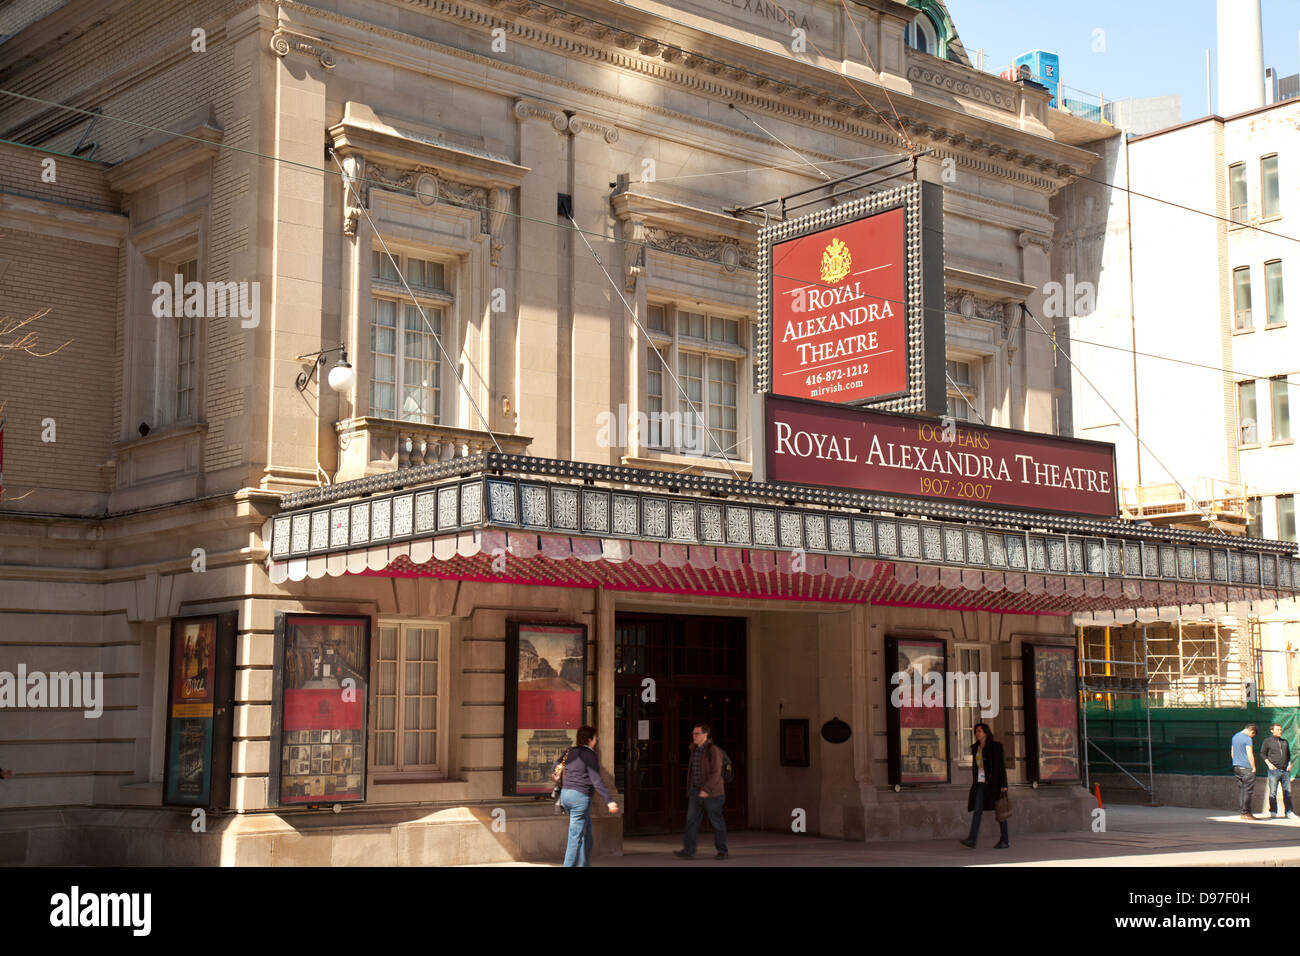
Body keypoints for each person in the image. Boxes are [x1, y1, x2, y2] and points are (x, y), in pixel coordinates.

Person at [555, 725, 617, 867]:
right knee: (575, 837)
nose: (596, 741)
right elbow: (596, 779)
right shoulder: (589, 755)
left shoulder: (569, 751)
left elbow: (555, 767)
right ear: (590, 739)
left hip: (566, 795)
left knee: (586, 834)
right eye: (595, 738)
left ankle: (583, 864)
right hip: (580, 797)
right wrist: (609, 801)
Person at [674, 722, 728, 860]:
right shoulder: (694, 749)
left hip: (712, 794)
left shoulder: (713, 750)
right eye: (693, 733)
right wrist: (692, 789)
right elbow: (693, 772)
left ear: (705, 735)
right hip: (696, 792)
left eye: (697, 733)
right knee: (691, 821)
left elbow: (716, 773)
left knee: (716, 822)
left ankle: (722, 851)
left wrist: (706, 789)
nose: (694, 736)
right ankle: (688, 851)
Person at [960, 722, 1009, 849]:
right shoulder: (975, 748)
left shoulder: (995, 747)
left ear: (986, 733)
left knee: (1000, 810)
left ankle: (1005, 840)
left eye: (979, 731)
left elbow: (1001, 767)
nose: (977, 733)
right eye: (976, 731)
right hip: (980, 784)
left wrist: (1004, 785)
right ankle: (972, 839)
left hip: (994, 784)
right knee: (977, 811)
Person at [1260, 723, 1296, 819]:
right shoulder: (1267, 741)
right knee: (1273, 792)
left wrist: (1289, 764)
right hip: (1274, 771)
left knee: (1287, 792)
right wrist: (1269, 764)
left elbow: (1288, 755)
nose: (1280, 731)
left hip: (1285, 771)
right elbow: (1262, 754)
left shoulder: (1285, 742)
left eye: (1280, 729)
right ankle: (1273, 811)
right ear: (1272, 730)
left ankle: (1289, 812)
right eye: (1277, 729)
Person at [1231, 723, 1258, 821]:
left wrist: (1236, 762)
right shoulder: (1247, 739)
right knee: (1248, 791)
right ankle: (1246, 813)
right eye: (1253, 735)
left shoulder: (1235, 737)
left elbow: (1232, 752)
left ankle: (1243, 812)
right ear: (1252, 731)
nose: (1252, 736)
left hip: (1237, 766)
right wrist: (1253, 767)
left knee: (1241, 790)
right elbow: (1250, 754)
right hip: (1246, 767)